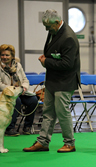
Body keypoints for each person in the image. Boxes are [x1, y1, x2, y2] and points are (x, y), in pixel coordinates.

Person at [23, 9, 80, 153]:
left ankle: (69, 143)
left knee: (62, 112)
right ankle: (43, 142)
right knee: (48, 111)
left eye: (48, 26)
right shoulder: (54, 31)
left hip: (65, 81)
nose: (46, 29)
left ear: (57, 22)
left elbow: (68, 64)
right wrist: (49, 59)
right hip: (52, 79)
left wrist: (46, 62)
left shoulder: (69, 37)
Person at [0, 44, 38, 136]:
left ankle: (27, 127)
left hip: (19, 91)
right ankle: (10, 128)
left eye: (7, 55)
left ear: (12, 56)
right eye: (2, 55)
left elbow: (25, 80)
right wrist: (12, 91)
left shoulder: (18, 65)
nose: (4, 57)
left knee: (33, 100)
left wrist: (24, 88)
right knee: (16, 100)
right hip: (5, 94)